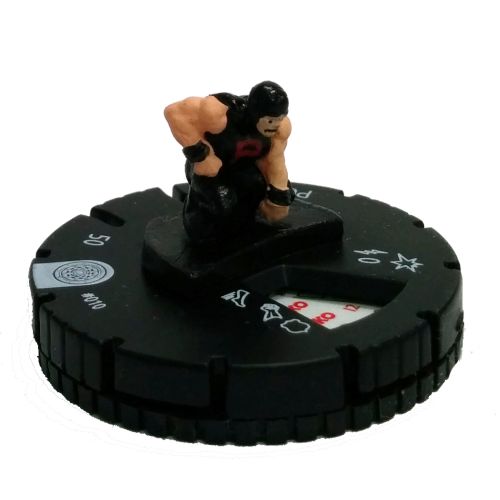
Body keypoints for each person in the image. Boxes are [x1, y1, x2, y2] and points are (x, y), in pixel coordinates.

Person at [164, 81, 294, 244]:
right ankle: (199, 230)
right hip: (212, 170)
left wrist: (279, 198)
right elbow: (174, 113)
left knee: (266, 195)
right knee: (223, 205)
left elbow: (274, 160)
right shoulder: (220, 113)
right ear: (256, 113)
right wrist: (202, 156)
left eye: (279, 119)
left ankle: (243, 230)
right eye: (270, 121)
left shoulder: (281, 129)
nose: (274, 126)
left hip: (244, 167)